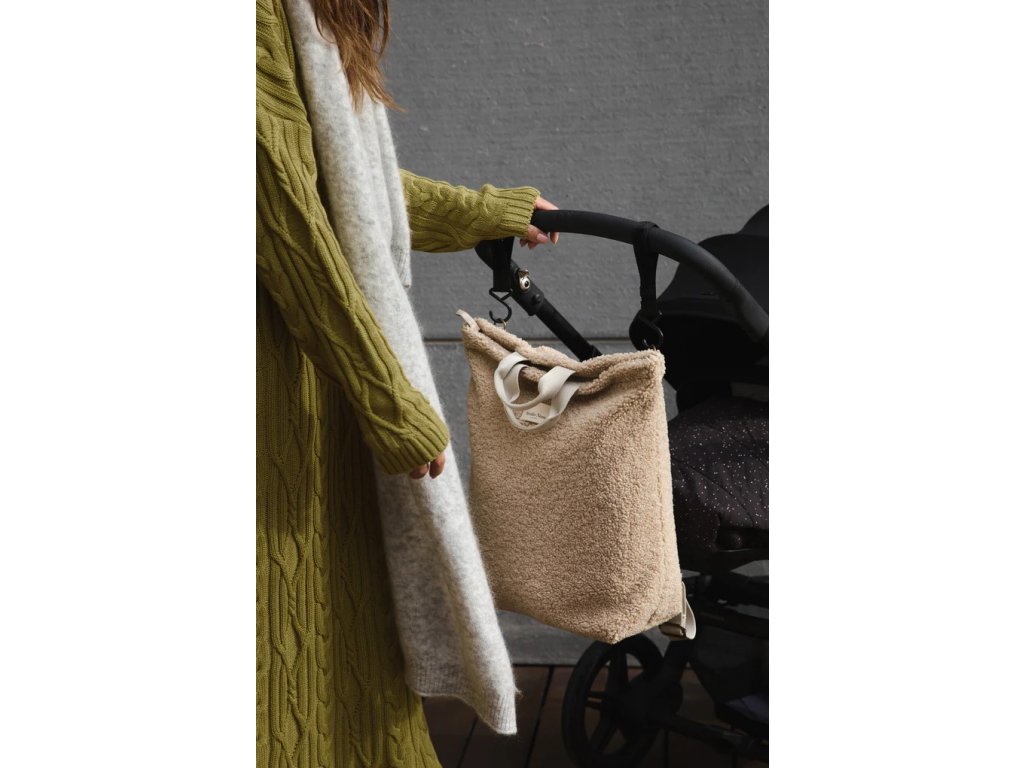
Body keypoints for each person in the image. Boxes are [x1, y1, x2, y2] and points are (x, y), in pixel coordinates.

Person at [256, 0, 558, 764]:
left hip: (318, 384)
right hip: (279, 395)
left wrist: (484, 212)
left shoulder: (306, 16)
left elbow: (340, 183)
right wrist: (389, 402)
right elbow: (285, 218)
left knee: (338, 643)